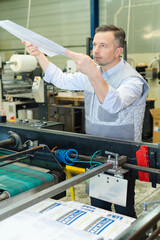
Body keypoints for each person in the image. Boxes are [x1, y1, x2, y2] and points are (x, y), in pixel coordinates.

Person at [22, 24, 149, 218]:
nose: (95, 51)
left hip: (123, 156)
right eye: (94, 44)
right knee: (98, 206)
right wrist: (39, 55)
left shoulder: (133, 80)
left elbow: (114, 104)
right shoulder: (92, 73)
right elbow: (61, 80)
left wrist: (93, 72)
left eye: (103, 46)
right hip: (94, 151)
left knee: (123, 210)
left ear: (118, 51)